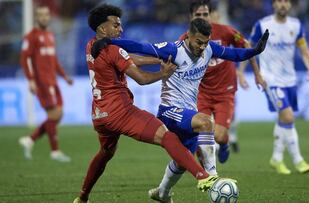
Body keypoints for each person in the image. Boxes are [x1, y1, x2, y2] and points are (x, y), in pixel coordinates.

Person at [91, 15, 269, 203]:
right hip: (169, 111)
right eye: (198, 42)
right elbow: (141, 47)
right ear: (188, 37)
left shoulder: (209, 49)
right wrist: (108, 41)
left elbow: (234, 54)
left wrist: (255, 50)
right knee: (206, 122)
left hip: (188, 112)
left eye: (205, 43)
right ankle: (212, 176)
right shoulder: (173, 50)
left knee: (183, 160)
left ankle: (162, 192)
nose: (202, 47)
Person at [73, 5, 221, 203]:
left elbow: (128, 58)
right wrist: (163, 73)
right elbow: (141, 79)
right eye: (115, 25)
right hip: (121, 112)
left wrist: (157, 57)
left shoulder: (91, 45)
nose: (120, 29)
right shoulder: (113, 49)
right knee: (166, 136)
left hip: (100, 115)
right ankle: (203, 177)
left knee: (106, 153)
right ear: (102, 29)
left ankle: (82, 197)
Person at [179, 0, 267, 164]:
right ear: (190, 17)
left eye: (205, 14)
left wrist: (255, 74)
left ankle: (224, 144)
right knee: (201, 136)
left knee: (219, 135)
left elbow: (246, 47)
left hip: (224, 92)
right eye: (198, 15)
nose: (203, 18)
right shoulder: (184, 39)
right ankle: (208, 174)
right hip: (201, 93)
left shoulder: (225, 31)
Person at [249, 0, 309, 175]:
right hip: (270, 78)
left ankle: (276, 158)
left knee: (284, 118)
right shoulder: (263, 25)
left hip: (290, 80)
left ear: (290, 5)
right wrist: (243, 72)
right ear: (274, 5)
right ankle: (298, 160)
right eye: (279, 1)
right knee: (288, 116)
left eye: (286, 1)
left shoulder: (296, 25)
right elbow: (249, 48)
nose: (283, 4)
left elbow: (304, 48)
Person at [19, 5, 73, 162]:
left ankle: (30, 140)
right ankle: (55, 151)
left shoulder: (49, 35)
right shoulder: (31, 36)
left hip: (53, 81)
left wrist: (64, 77)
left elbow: (53, 60)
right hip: (42, 82)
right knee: (54, 114)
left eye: (46, 15)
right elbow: (24, 59)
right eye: (41, 15)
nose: (44, 17)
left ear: (49, 17)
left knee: (59, 114)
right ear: (37, 17)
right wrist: (30, 80)